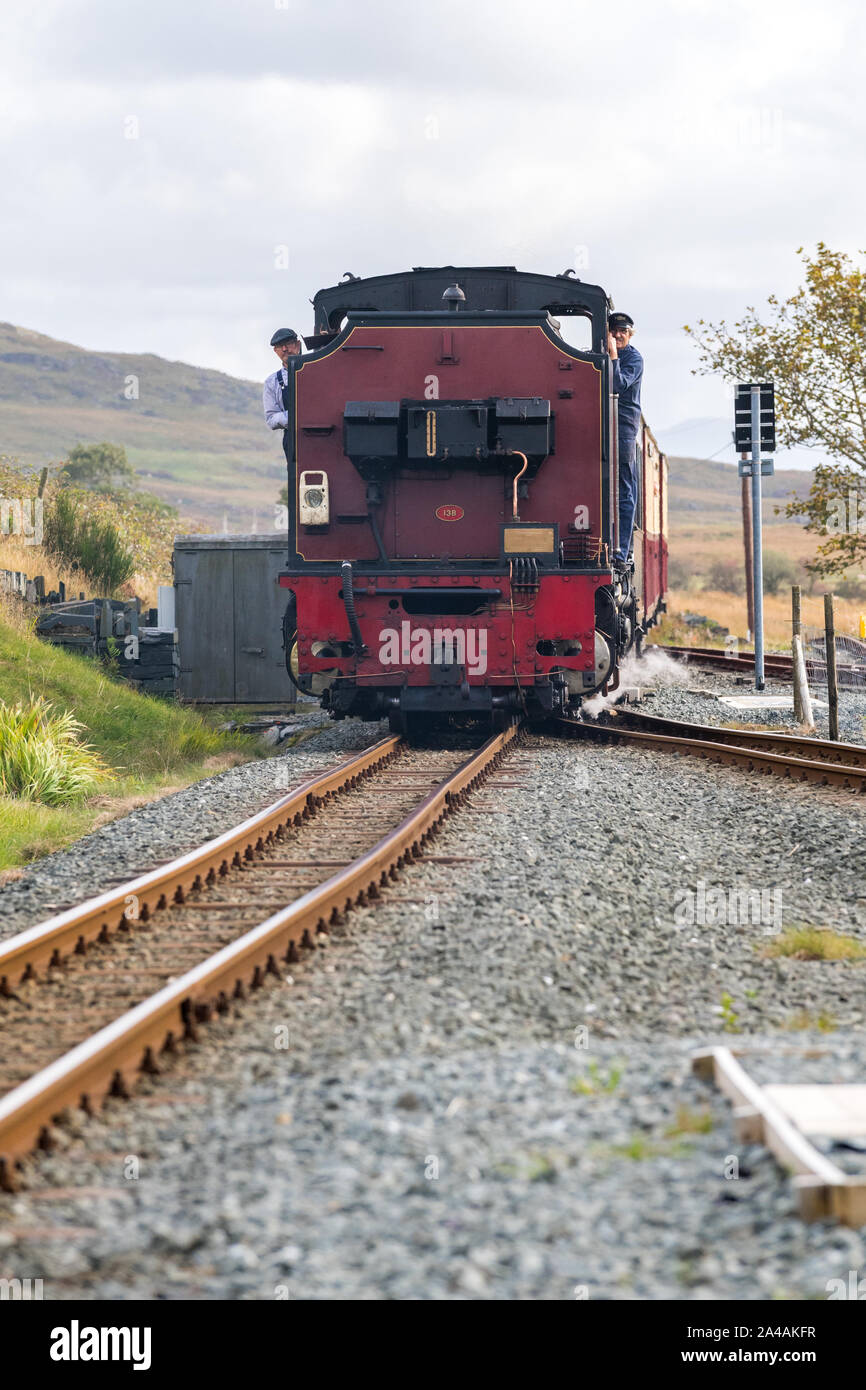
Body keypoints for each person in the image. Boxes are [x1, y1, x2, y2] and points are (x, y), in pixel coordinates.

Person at [607, 312, 644, 564]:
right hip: (599, 424)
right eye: (614, 330)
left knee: (624, 489)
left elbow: (617, 385)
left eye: (623, 331)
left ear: (630, 334)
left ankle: (622, 549)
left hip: (623, 428)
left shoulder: (633, 359)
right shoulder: (599, 355)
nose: (618, 335)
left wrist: (612, 356)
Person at [263, 328, 302, 459]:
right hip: (293, 440)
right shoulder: (271, 382)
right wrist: (294, 416)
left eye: (288, 343)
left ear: (298, 344)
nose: (285, 349)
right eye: (280, 346)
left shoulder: (318, 371)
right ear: (276, 351)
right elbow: (271, 419)